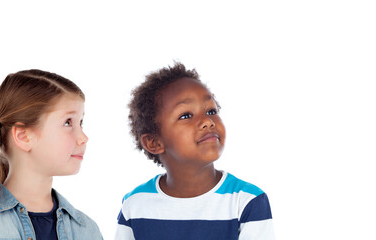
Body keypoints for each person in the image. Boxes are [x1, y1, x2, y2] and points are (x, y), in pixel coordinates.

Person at [115, 62, 275, 240]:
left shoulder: (247, 201)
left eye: (211, 111)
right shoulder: (136, 204)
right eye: (186, 115)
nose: (208, 121)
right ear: (154, 142)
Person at [0, 69, 103, 240]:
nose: (83, 138)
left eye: (81, 122)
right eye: (68, 122)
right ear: (23, 137)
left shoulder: (87, 230)